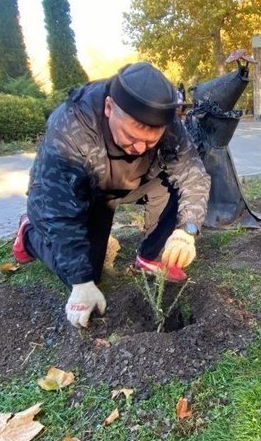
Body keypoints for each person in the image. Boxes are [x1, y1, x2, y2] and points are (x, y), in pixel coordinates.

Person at [12, 62, 210, 328]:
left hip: (130, 181)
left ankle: (152, 255)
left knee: (178, 181)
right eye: (131, 137)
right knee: (87, 271)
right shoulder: (71, 129)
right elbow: (59, 212)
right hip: (78, 194)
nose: (139, 148)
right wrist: (81, 281)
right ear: (108, 108)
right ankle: (28, 236)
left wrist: (187, 230)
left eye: (150, 141)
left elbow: (192, 172)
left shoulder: (166, 121)